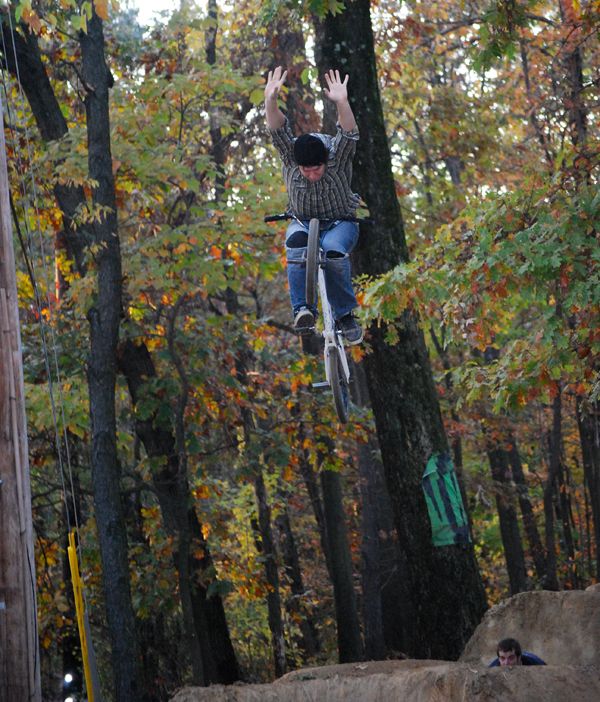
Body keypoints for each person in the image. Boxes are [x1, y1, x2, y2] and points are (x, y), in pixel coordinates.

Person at [264, 65, 363, 345]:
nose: (310, 174)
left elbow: (349, 132)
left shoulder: (336, 156)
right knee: (296, 244)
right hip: (302, 221)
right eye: (305, 170)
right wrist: (270, 100)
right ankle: (303, 311)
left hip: (340, 222)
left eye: (315, 169)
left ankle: (345, 316)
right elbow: (277, 129)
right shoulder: (291, 156)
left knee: (332, 251)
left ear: (325, 161)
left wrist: (342, 102)